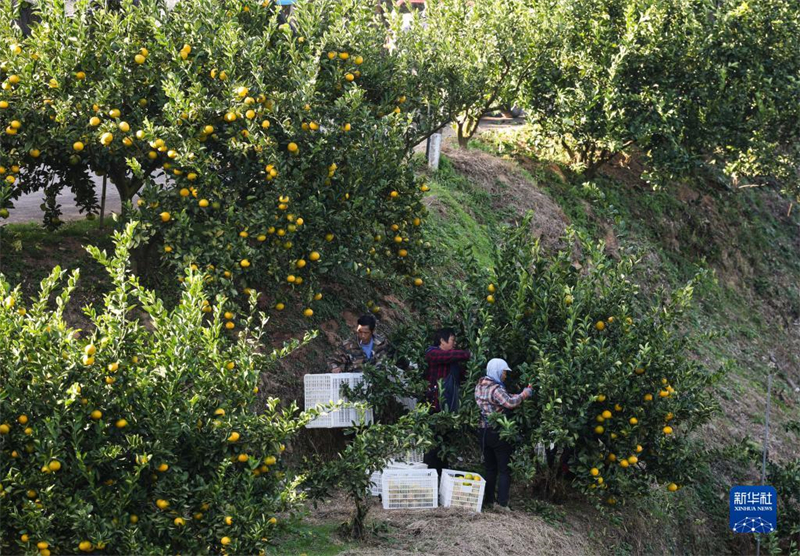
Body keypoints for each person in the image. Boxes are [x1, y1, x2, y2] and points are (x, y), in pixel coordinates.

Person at [474, 358, 532, 510]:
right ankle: (502, 503)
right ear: (498, 372)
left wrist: (516, 394)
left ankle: (488, 500)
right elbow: (509, 403)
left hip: (483, 431)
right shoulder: (496, 388)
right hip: (498, 432)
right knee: (504, 469)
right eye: (504, 372)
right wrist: (525, 394)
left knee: (490, 468)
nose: (505, 375)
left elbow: (503, 398)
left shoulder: (480, 385)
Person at [422, 328, 471, 474]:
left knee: (444, 446)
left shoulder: (453, 361)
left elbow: (462, 376)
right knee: (432, 446)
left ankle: (442, 476)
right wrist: (468, 354)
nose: (454, 344)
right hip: (434, 407)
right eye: (452, 340)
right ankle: (431, 477)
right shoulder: (432, 353)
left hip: (448, 410)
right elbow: (446, 356)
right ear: (442, 341)